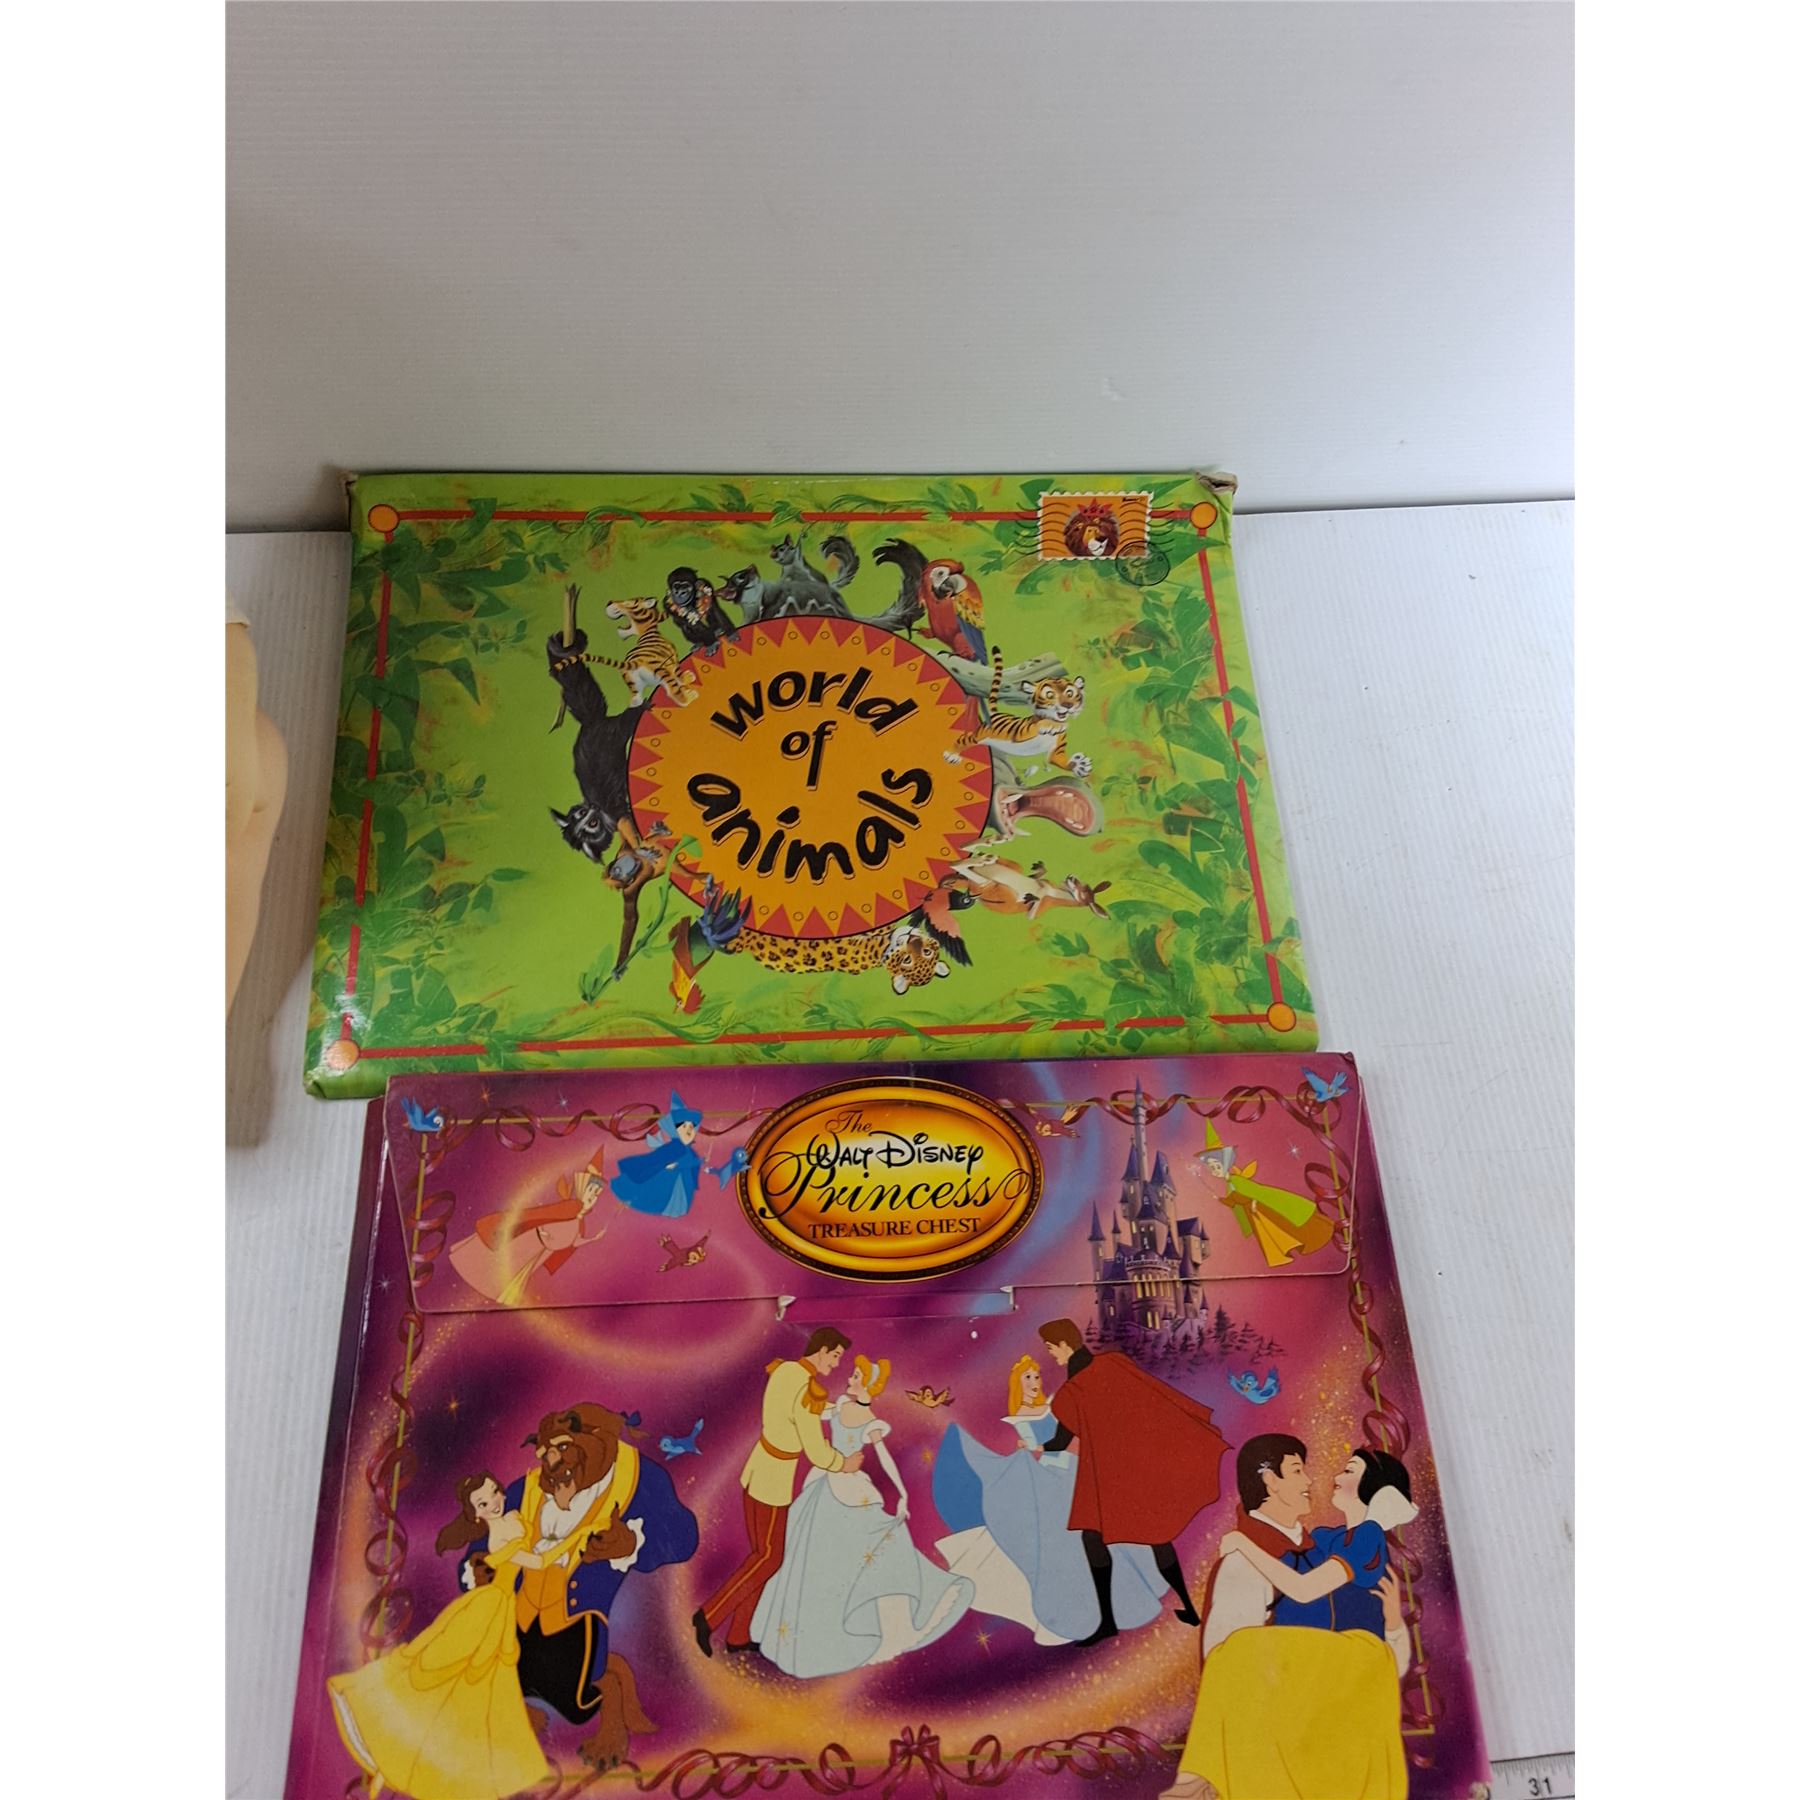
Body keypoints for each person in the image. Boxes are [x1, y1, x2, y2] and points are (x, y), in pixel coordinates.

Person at [1161, 1445, 1419, 1800]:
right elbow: (1285, 1566)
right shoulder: (1325, 1539)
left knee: (1237, 1650)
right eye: (1299, 1471)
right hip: (1320, 1668)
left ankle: (1199, 1780)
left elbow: (1303, 1588)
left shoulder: (1368, 1537)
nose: (1330, 1477)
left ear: (1373, 1489)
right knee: (1231, 1654)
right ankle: (1202, 1777)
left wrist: (1242, 1543)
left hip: (1357, 1658)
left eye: (1349, 1471)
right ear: (1270, 1481)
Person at [328, 1471, 576, 1800]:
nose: (493, 1503)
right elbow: (537, 1560)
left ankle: (451, 1768)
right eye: (483, 1503)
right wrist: (571, 1544)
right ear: (476, 1513)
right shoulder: (499, 1537)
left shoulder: (514, 1518)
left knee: (478, 1691)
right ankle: (402, 1753)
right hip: (486, 1609)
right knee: (449, 1680)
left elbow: (535, 1525)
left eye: (494, 1493)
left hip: (500, 1609)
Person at [750, 1353, 975, 1675]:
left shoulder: (870, 1421)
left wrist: (902, 1493)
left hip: (854, 1489)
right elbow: (812, 1411)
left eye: (857, 1377)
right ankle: (814, 1632)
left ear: (868, 1386)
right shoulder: (841, 1404)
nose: (850, 1380)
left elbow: (884, 1459)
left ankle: (886, 1628)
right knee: (816, 1556)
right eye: (853, 1375)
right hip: (828, 1482)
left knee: (882, 1550)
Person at [933, 1353, 1164, 1644]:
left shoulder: (1053, 1404)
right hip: (1052, 1477)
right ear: (1018, 1384)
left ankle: (1128, 1593)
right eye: (1027, 1378)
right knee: (1072, 1543)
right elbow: (1040, 1445)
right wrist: (1030, 1447)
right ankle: (1090, 1609)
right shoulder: (1022, 1415)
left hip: (1072, 1470)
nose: (1034, 1382)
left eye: (1036, 1376)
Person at [1035, 1318, 1229, 1644]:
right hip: (1135, 1468)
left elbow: (1061, 1439)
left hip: (1105, 1476)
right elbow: (1150, 1401)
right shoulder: (1115, 1363)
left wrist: (1037, 1446)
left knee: (1093, 1539)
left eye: (1051, 1348)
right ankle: (1189, 1608)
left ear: (1065, 1345)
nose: (1051, 1354)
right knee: (1156, 1535)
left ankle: (1107, 1621)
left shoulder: (1071, 1393)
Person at [693, 1326, 863, 1656]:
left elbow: (798, 1411)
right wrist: (845, 1463)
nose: (836, 1364)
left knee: (763, 1556)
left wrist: (835, 1410)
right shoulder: (808, 1390)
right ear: (822, 1351)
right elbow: (817, 1451)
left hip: (759, 1469)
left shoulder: (788, 1371)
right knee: (769, 1557)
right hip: (773, 1481)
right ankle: (709, 1616)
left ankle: (738, 1635)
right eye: (835, 1356)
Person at [449, 1156, 607, 1305]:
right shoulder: (569, 1207)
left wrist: (591, 1239)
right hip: (529, 1241)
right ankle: (479, 1274)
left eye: (596, 1196)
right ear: (582, 1188)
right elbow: (544, 1217)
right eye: (592, 1192)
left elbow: (572, 1241)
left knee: (513, 1272)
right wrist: (543, 1232)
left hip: (537, 1251)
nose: (593, 1199)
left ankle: (494, 1288)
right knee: (503, 1262)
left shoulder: (579, 1220)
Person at [609, 1093, 711, 1217]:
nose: (689, 1130)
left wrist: (697, 1161)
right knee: (663, 1195)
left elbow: (687, 1162)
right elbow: (663, 1161)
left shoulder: (687, 1150)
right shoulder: (675, 1147)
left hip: (680, 1182)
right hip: (667, 1183)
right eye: (684, 1126)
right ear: (674, 1129)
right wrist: (697, 1161)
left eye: (691, 1126)